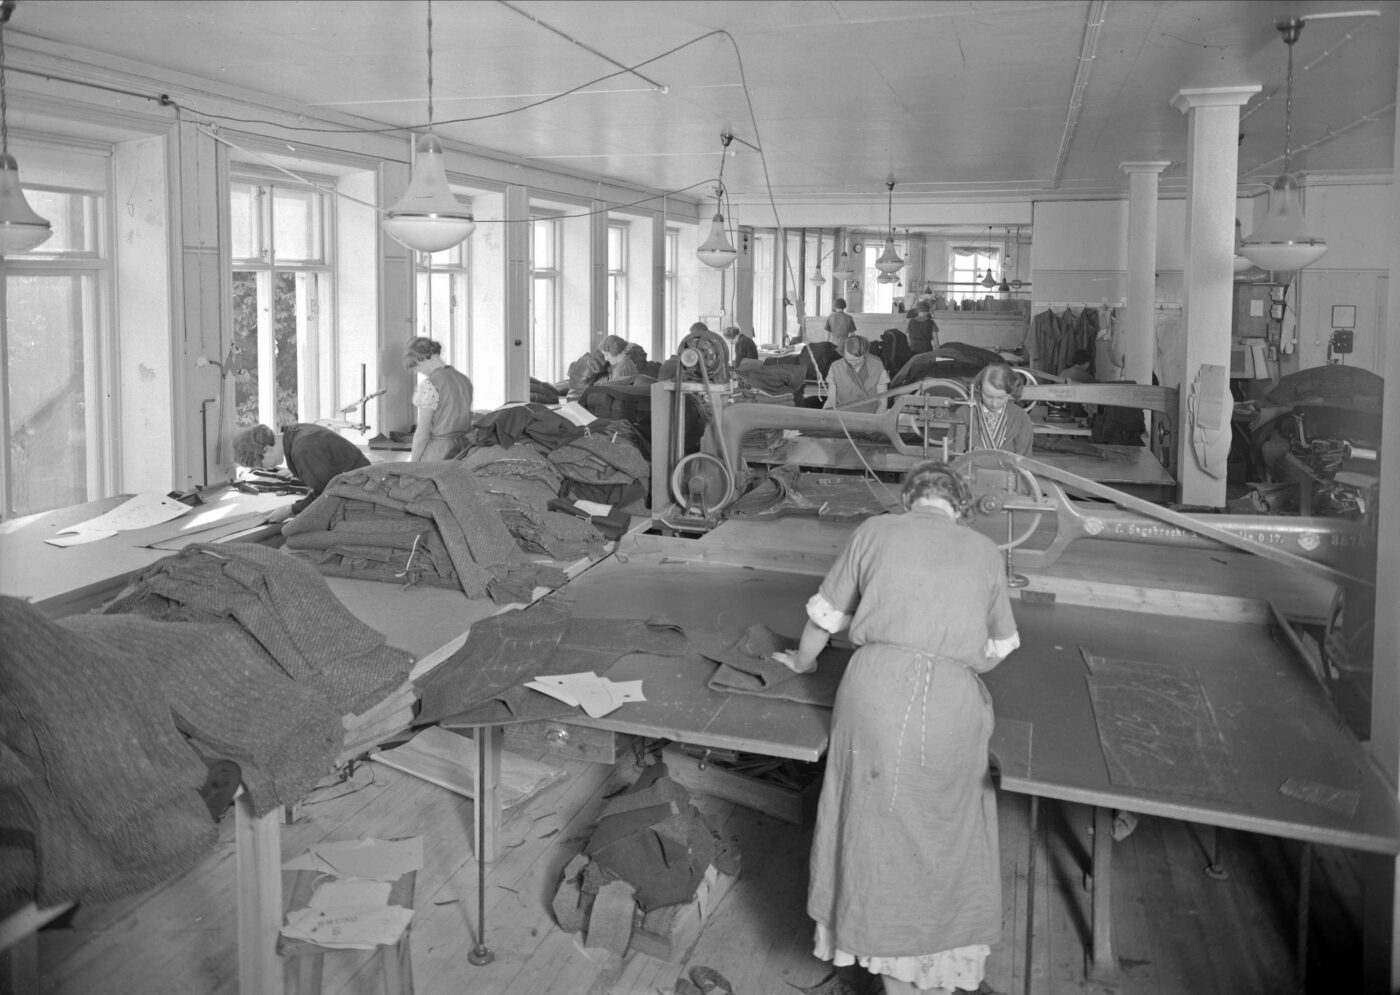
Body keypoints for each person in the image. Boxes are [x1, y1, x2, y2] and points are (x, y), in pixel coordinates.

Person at [773, 459, 1020, 995]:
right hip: (952, 705)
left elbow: (822, 619)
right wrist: (954, 659)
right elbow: (1001, 646)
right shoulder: (984, 550)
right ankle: (939, 968)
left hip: (874, 695)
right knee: (947, 830)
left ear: (909, 499)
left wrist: (802, 663)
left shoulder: (875, 530)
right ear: (960, 508)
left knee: (871, 825)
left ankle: (882, 952)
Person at [231, 421, 369, 520]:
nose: (264, 469)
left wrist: (290, 510)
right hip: (358, 483)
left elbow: (325, 495)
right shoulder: (295, 432)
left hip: (364, 493)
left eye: (260, 465)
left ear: (265, 449)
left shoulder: (303, 450)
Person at [404, 336, 474, 461]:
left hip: (438, 453)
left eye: (417, 367)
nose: (420, 372)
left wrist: (413, 464)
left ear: (420, 358)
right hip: (463, 450)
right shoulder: (464, 380)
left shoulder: (429, 385)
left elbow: (422, 434)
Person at [961, 363, 1033, 456]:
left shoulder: (1021, 418)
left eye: (1001, 398)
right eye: (988, 396)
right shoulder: (965, 413)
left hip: (1007, 466)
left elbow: (1024, 457)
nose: (994, 404)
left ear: (1011, 392)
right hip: (969, 465)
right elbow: (954, 450)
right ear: (979, 388)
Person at [824, 334, 889, 413]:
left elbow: (882, 402)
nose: (853, 363)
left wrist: (875, 419)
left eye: (857, 359)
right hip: (842, 415)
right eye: (848, 359)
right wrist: (823, 415)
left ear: (864, 353)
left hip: (870, 415)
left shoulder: (877, 367)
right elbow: (831, 400)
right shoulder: (835, 367)